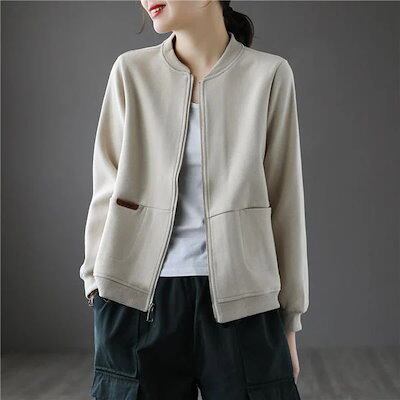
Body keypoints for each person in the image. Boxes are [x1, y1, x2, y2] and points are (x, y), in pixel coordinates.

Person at [79, 1, 309, 399]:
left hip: (245, 304)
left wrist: (289, 321)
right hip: (137, 302)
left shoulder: (268, 75)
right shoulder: (131, 72)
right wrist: (95, 287)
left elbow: (285, 202)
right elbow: (106, 190)